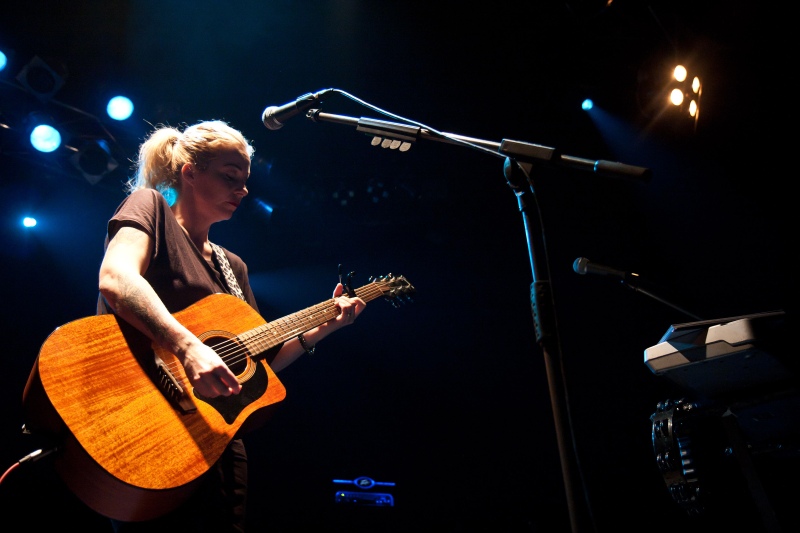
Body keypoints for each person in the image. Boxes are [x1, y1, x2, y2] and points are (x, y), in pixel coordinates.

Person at [96, 119, 366, 532]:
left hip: (217, 439)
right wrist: (188, 347)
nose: (242, 190)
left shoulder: (232, 265)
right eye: (229, 177)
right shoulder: (149, 208)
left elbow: (263, 361)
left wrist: (327, 325)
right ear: (190, 172)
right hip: (143, 421)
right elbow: (116, 278)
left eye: (245, 181)